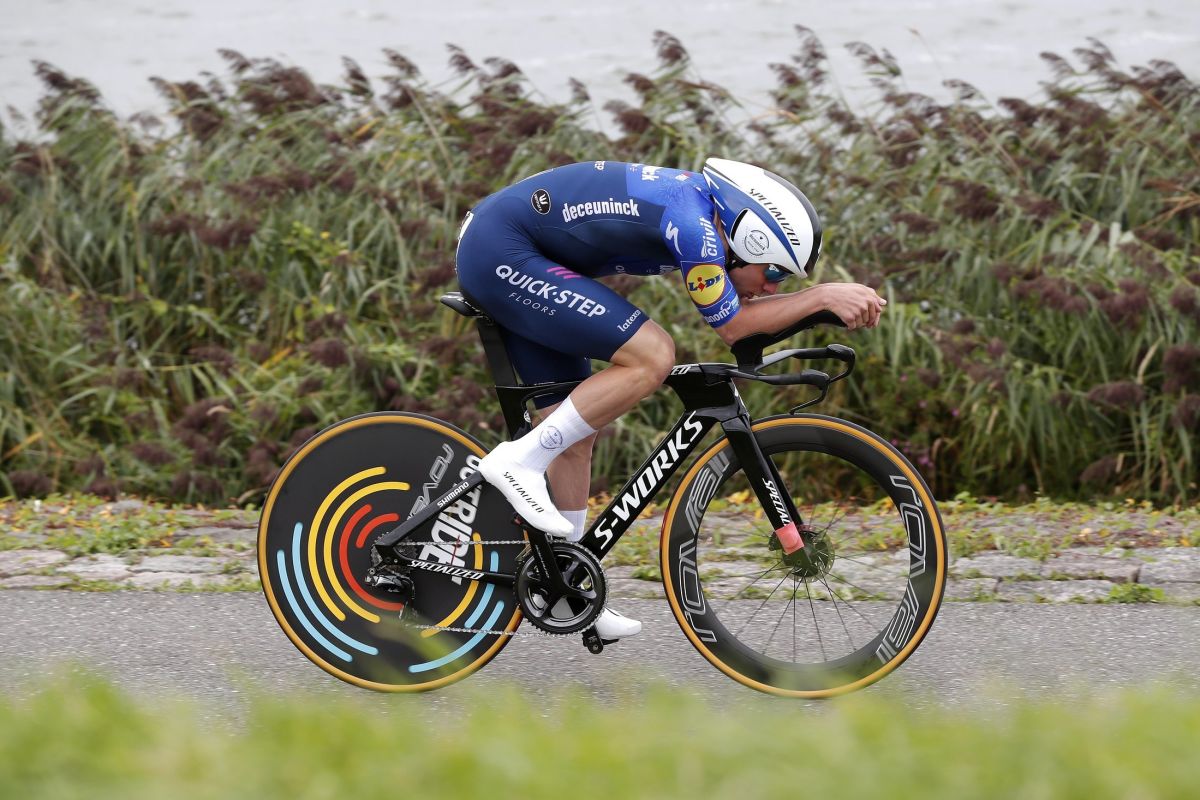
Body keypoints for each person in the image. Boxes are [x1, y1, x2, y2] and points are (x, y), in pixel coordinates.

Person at [455, 158, 886, 640]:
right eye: (774, 272)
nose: (770, 286)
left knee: (573, 434)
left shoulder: (704, 216)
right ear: (748, 241)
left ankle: (567, 580)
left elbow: (745, 319)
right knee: (653, 354)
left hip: (521, 253)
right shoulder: (695, 228)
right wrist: (822, 296)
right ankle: (518, 461)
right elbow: (735, 328)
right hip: (502, 249)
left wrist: (817, 304)